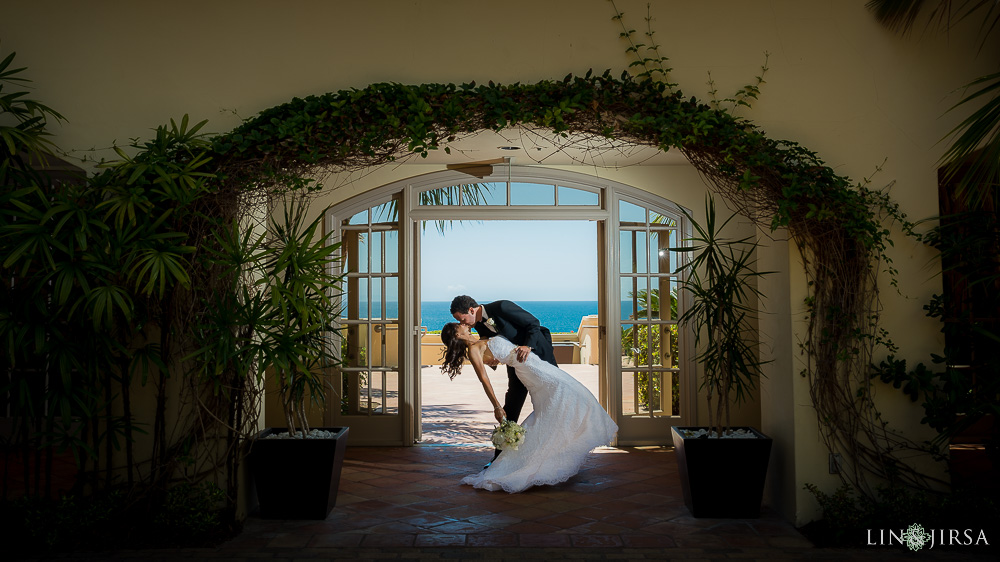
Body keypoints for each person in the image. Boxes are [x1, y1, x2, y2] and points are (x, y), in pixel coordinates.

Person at [440, 322, 618, 493]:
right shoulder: (473, 350)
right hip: (530, 371)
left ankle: (557, 449)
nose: (464, 324)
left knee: (572, 395)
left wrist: (495, 358)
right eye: (460, 325)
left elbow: (498, 351)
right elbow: (484, 380)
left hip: (536, 364)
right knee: (563, 398)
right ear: (457, 334)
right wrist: (496, 406)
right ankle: (532, 462)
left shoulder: (482, 338)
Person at [450, 295, 557, 466]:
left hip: (539, 356)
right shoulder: (477, 325)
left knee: (552, 402)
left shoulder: (501, 307)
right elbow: (494, 347)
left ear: (471, 310)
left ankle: (553, 452)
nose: (463, 323)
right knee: (512, 406)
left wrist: (527, 346)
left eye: (461, 318)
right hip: (517, 366)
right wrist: (494, 360)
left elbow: (534, 324)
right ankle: (499, 459)